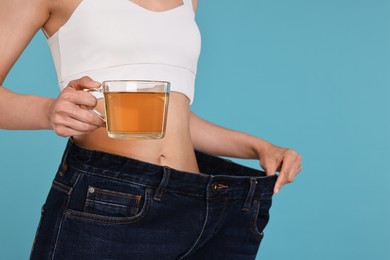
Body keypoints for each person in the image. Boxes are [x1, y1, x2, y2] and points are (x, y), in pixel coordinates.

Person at [0, 0, 302, 259]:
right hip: (110, 201)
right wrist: (47, 111)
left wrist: (259, 148)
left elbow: (172, 118)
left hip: (199, 204)